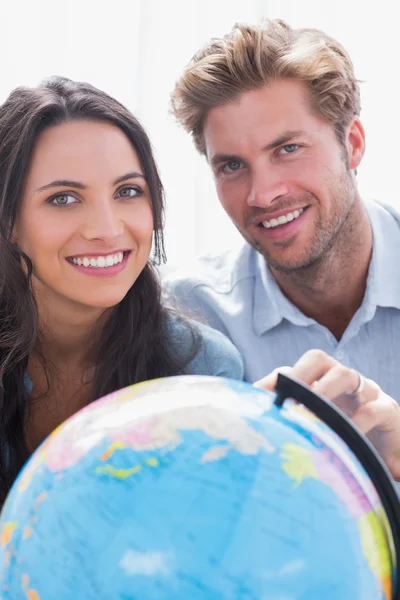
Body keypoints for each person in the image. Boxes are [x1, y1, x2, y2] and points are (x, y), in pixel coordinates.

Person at [0, 76, 245, 504]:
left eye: (128, 191)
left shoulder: (202, 368)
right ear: (10, 223)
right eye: (63, 198)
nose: (108, 230)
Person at [164, 19, 400, 403]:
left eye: (288, 149)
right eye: (232, 166)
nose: (263, 194)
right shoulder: (188, 316)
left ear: (353, 143)